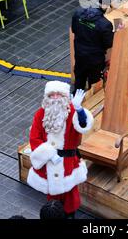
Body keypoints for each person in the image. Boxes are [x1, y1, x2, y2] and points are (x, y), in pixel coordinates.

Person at [27, 81, 93, 218]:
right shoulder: (40, 114)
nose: (56, 97)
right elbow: (34, 138)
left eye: (59, 94)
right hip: (49, 163)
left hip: (69, 162)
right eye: (52, 95)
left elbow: (83, 125)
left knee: (70, 197)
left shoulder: (72, 111)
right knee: (53, 198)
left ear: (65, 97)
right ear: (47, 97)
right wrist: (49, 154)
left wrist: (80, 110)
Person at [71, 0, 114, 94]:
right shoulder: (105, 24)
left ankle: (76, 100)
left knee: (79, 80)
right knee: (93, 85)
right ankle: (90, 103)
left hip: (79, 54)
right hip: (94, 60)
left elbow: (74, 30)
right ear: (105, 6)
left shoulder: (78, 14)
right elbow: (109, 43)